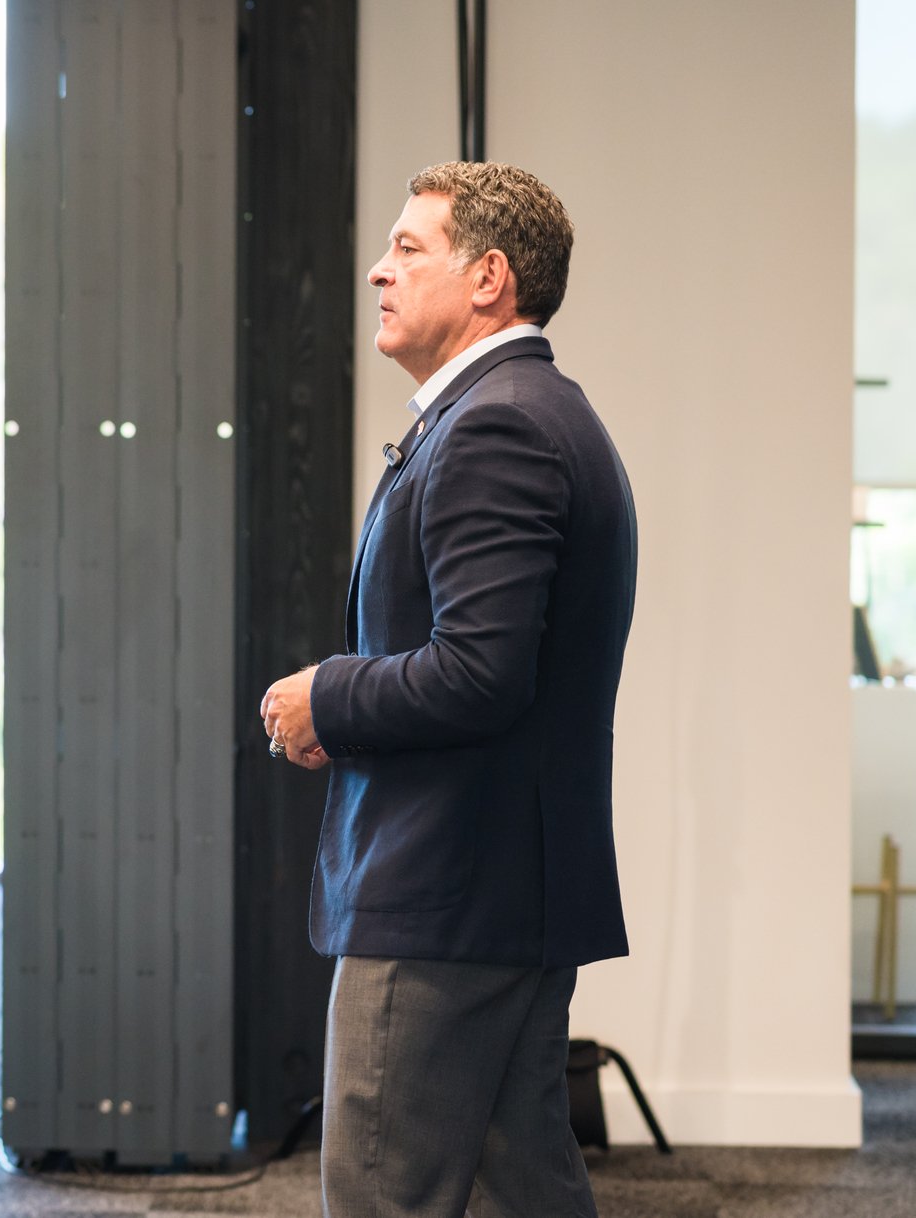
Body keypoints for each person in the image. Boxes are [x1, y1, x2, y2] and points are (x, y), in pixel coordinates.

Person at [258, 162, 637, 1218]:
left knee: (385, 1194)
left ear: (487, 279)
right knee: (522, 1188)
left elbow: (478, 671)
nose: (378, 270)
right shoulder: (518, 411)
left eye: (408, 248)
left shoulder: (494, 427)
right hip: (500, 893)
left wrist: (324, 699)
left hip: (445, 895)